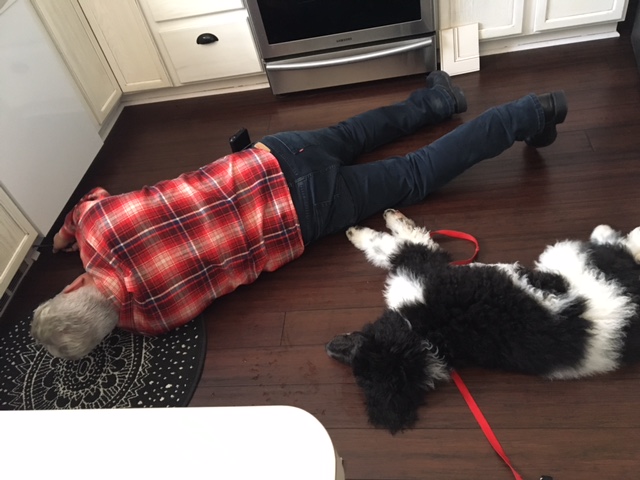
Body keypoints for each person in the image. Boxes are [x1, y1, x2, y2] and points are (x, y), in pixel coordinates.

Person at [31, 71, 568, 360]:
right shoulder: (98, 227)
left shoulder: (154, 319)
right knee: (354, 133)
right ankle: (439, 101)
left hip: (303, 215)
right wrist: (64, 236)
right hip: (272, 159)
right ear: (73, 284)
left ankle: (527, 114)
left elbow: (139, 306)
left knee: (414, 173)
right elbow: (87, 205)